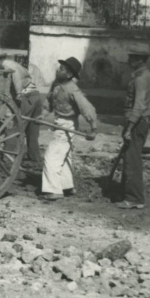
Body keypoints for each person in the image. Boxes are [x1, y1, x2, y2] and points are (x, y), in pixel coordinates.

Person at [40, 57, 97, 201]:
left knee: (52, 156)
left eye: (62, 69)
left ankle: (53, 190)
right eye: (59, 67)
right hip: (59, 122)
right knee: (64, 156)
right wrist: (43, 115)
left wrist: (93, 128)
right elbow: (49, 101)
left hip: (67, 125)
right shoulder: (56, 85)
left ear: (69, 75)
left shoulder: (73, 89)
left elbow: (88, 109)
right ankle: (67, 186)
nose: (58, 70)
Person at [0, 52, 44, 168]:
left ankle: (8, 158)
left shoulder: (8, 65)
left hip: (26, 96)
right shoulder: (12, 63)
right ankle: (34, 158)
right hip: (34, 95)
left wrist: (19, 94)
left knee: (15, 127)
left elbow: (16, 78)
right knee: (32, 131)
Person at [117, 46, 150, 210]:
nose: (129, 60)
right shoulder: (146, 76)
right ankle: (130, 195)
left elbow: (139, 106)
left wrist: (128, 128)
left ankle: (134, 198)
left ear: (140, 60)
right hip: (139, 121)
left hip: (136, 122)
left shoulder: (141, 78)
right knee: (131, 158)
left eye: (132, 58)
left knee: (132, 161)